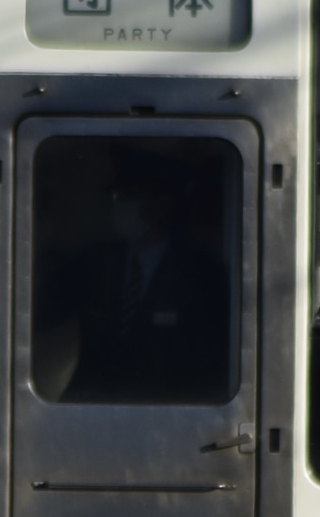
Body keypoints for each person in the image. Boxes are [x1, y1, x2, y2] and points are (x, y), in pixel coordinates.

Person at [35, 150, 231, 404]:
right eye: (116, 197)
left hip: (165, 411)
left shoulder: (201, 275)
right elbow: (42, 312)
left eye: (129, 196)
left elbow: (208, 367)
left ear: (161, 205)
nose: (118, 206)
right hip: (90, 408)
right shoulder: (96, 262)